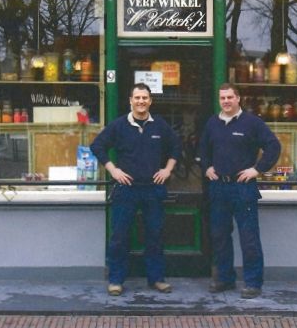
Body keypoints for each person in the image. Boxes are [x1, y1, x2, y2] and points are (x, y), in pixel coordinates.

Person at [90, 83, 181, 296]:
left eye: (145, 98)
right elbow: (97, 146)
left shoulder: (160, 126)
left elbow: (176, 146)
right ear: (130, 100)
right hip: (126, 188)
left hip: (153, 189)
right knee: (120, 236)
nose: (141, 101)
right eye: (137, 98)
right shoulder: (119, 125)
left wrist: (167, 169)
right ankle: (116, 280)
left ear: (151, 101)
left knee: (155, 235)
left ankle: (157, 279)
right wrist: (113, 170)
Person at [199, 83, 281, 299]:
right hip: (219, 187)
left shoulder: (252, 123)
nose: (226, 101)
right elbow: (202, 149)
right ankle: (225, 279)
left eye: (229, 97)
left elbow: (273, 146)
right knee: (219, 236)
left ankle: (253, 283)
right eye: (222, 98)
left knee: (249, 236)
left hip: (243, 188)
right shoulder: (212, 124)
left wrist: (257, 170)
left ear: (238, 98)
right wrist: (207, 167)